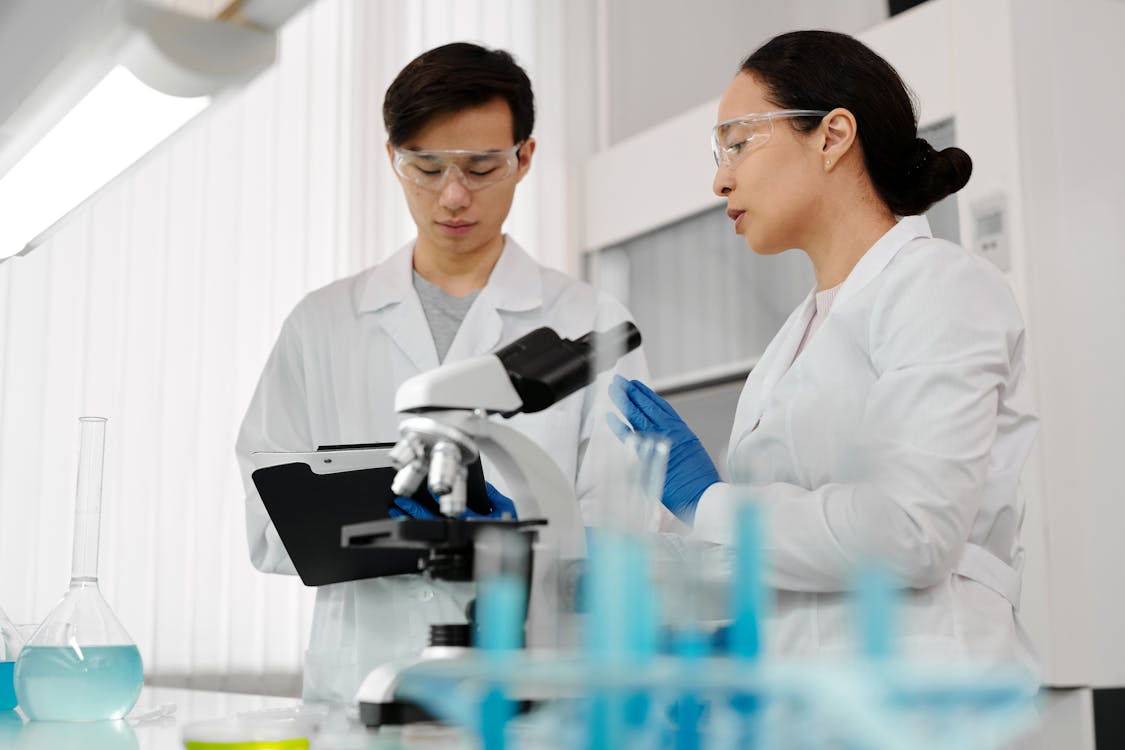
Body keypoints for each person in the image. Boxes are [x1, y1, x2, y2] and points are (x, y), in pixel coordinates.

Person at [609, 30, 1038, 668]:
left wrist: (707, 500)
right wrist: (550, 537)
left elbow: (913, 531)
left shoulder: (944, 286)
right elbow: (777, 546)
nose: (720, 180)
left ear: (834, 136)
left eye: (737, 143)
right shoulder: (799, 336)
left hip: (933, 698)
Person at [237, 42, 648, 704]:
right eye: (425, 168)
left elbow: (628, 521)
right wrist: (378, 530)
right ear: (392, 159)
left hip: (527, 676)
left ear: (525, 158)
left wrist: (525, 540)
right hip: (364, 675)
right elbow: (266, 518)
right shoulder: (323, 323)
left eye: (482, 167)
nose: (453, 196)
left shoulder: (586, 317)